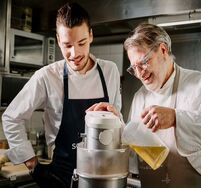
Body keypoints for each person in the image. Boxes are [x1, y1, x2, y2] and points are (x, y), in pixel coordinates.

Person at [91, 23, 201, 188]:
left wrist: (176, 118)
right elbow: (133, 154)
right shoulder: (140, 97)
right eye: (134, 68)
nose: (140, 73)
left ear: (163, 50)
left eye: (144, 62)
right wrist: (116, 124)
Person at [2, 2, 121, 188]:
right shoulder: (47, 76)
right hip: (61, 177)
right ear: (58, 40)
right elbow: (11, 118)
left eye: (81, 43)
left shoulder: (109, 71)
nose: (74, 53)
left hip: (102, 175)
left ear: (90, 35)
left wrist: (116, 116)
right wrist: (31, 163)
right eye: (67, 45)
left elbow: (117, 124)